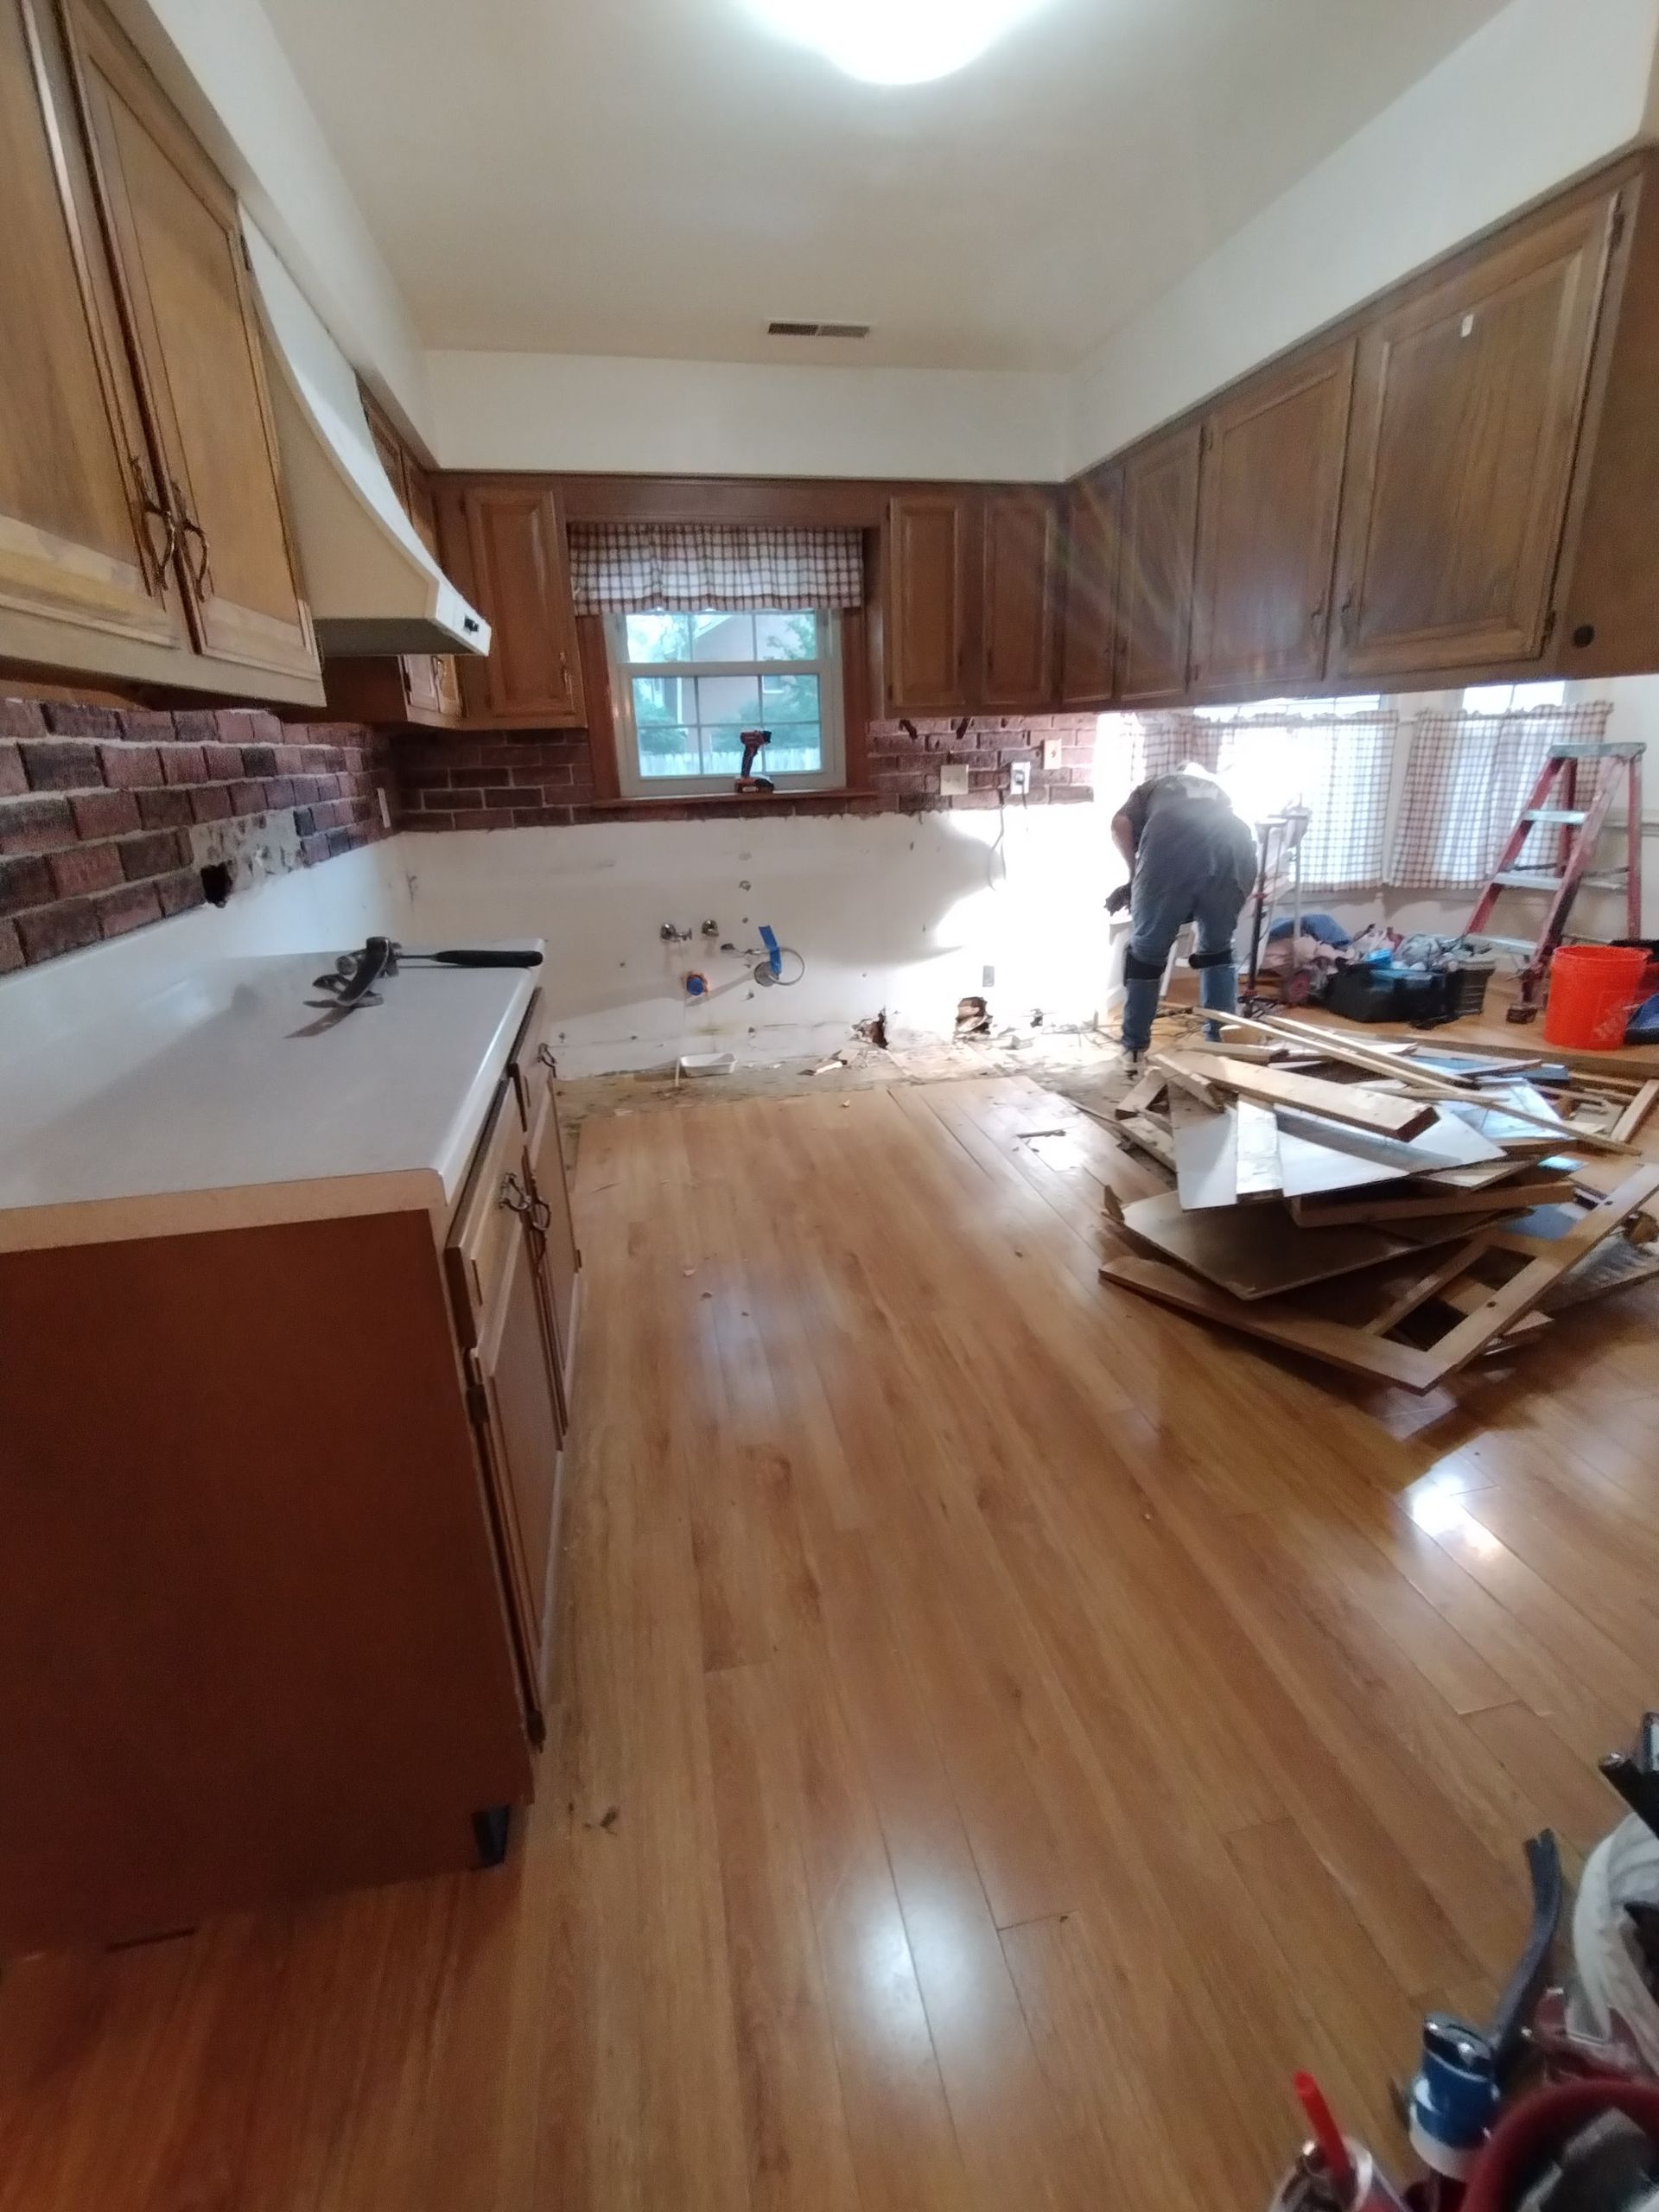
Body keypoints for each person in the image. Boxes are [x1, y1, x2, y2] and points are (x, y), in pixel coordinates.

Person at [1109, 765, 1259, 1066]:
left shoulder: (1145, 791)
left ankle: (1134, 1048)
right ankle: (1222, 1044)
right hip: (1236, 838)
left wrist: (1133, 875)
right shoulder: (1213, 790)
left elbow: (1120, 825)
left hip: (1170, 837)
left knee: (1146, 956)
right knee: (1217, 950)